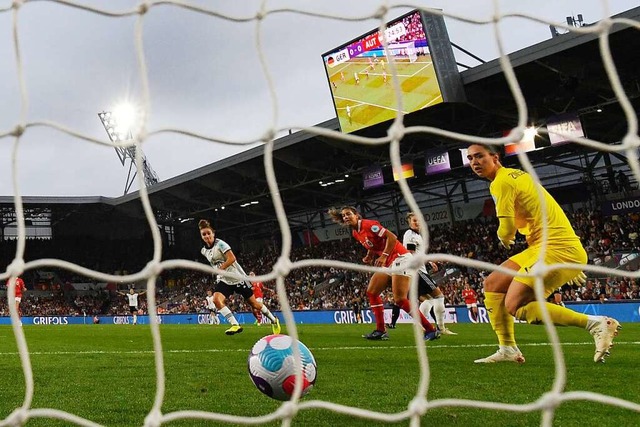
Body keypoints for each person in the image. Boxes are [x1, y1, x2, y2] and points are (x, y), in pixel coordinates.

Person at [467, 143, 621, 363]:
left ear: (495, 157)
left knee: (514, 306)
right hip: (544, 247)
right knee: (493, 283)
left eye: (480, 156)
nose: (474, 162)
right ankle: (508, 349)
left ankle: (597, 324)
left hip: (556, 248)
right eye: (471, 158)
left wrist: (504, 237)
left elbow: (507, 229)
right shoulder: (515, 176)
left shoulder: (502, 182)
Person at [327, 206, 439, 341]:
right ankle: (381, 330)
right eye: (343, 215)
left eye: (348, 214)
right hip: (389, 263)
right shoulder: (356, 233)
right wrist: (369, 255)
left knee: (400, 300)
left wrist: (384, 256)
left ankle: (430, 330)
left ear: (356, 215)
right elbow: (373, 244)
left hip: (400, 257)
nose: (345, 217)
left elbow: (391, 237)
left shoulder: (369, 225)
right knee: (372, 292)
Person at [198, 219, 280, 335]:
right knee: (216, 300)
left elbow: (232, 259)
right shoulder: (203, 251)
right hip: (225, 280)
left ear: (213, 233)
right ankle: (235, 325)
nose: (207, 236)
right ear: (201, 236)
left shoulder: (221, 244)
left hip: (238, 277)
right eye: (204, 234)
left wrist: (220, 269)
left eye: (208, 233)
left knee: (254, 304)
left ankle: (274, 320)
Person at [401, 211, 457, 335]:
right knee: (439, 296)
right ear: (409, 222)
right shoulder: (411, 235)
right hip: (417, 271)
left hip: (416, 270)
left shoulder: (416, 235)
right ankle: (440, 328)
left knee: (428, 300)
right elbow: (410, 254)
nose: (417, 223)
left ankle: (421, 325)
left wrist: (429, 261)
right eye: (414, 220)